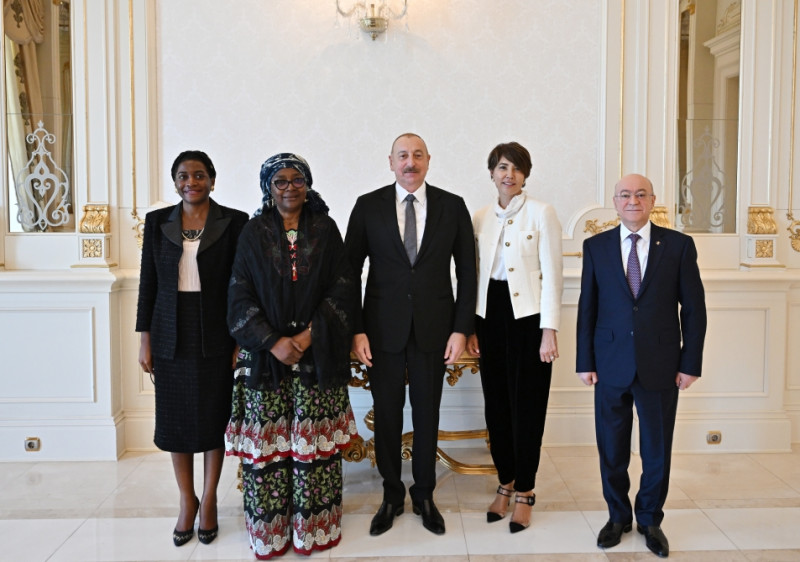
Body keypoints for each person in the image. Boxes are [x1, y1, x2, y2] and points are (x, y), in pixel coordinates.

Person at [224, 153, 360, 560]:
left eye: (296, 180)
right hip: (265, 360)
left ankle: (312, 530)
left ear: (308, 184)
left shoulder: (325, 229)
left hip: (316, 357)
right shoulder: (252, 232)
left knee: (313, 452)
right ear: (268, 187)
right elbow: (238, 294)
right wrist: (272, 341)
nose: (289, 188)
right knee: (267, 457)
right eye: (280, 181)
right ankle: (270, 533)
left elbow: (344, 288)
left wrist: (305, 336)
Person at [345, 133, 477, 536]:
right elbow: (348, 273)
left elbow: (467, 271)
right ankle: (391, 494)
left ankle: (424, 494)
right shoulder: (368, 206)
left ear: (428, 160)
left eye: (418, 155)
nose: (410, 162)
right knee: (386, 414)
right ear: (391, 162)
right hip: (380, 331)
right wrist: (356, 330)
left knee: (427, 412)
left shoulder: (452, 206)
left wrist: (461, 328)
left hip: (434, 330)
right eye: (403, 155)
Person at [576, 174, 707, 558]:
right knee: (612, 449)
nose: (632, 200)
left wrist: (690, 362)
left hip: (662, 365)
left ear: (652, 200)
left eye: (640, 194)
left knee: (656, 450)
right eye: (625, 195)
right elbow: (588, 307)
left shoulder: (679, 246)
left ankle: (650, 519)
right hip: (609, 364)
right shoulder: (596, 246)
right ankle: (617, 517)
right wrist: (585, 361)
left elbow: (694, 309)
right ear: (615, 202)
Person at [136, 150, 249, 546]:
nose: (191, 182)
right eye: (183, 176)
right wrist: (145, 339)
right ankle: (188, 499)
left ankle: (210, 499)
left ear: (212, 181)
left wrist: (240, 339)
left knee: (213, 418)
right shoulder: (157, 223)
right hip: (169, 333)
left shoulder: (234, 222)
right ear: (175, 182)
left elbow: (241, 285)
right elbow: (147, 283)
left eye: (199, 175)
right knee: (176, 423)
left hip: (216, 333)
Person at [466, 142, 563, 533]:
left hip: (529, 318)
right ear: (491, 172)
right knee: (497, 406)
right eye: (503, 167)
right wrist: (471, 327)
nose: (510, 175)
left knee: (528, 406)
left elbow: (552, 274)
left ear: (525, 175)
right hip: (489, 317)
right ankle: (504, 481)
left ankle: (525, 490)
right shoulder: (479, 217)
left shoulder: (542, 212)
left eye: (517, 169)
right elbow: (471, 275)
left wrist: (549, 331)